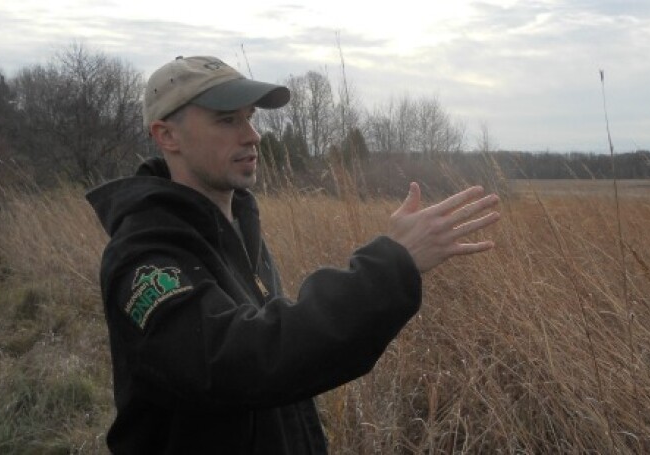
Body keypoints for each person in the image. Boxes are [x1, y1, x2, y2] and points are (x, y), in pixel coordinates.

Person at [86, 55, 500, 454]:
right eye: (226, 120)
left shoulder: (238, 228)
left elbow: (284, 377)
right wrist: (392, 265)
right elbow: (239, 361)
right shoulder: (145, 256)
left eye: (249, 117)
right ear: (167, 136)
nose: (251, 135)